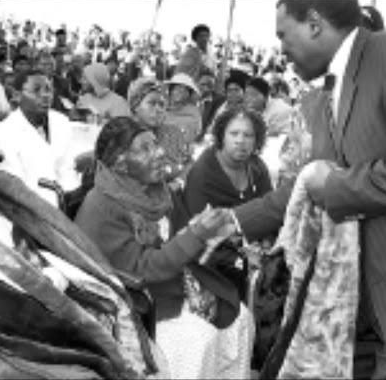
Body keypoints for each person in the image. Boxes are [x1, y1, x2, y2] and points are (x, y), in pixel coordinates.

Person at [233, 0, 386, 378]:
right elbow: (306, 185)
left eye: (284, 35)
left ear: (314, 24)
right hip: (347, 312)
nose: (281, 50)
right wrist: (231, 222)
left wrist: (338, 185)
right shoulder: (321, 98)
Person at [0, 118, 165, 379]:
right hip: (4, 341)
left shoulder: (2, 215)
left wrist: (52, 279)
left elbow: (34, 261)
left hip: (54, 320)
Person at [75, 116, 253, 380]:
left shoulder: (157, 191)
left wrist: (204, 232)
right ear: (121, 163)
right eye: (145, 149)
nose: (159, 153)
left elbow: (176, 237)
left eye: (155, 144)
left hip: (173, 281)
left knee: (241, 319)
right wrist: (194, 235)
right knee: (198, 340)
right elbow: (143, 269)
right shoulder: (102, 206)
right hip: (134, 302)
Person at [0, 70, 80, 206]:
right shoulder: (3, 132)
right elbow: (16, 185)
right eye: (36, 90)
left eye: (48, 90)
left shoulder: (61, 121)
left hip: (66, 200)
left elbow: (67, 167)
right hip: (31, 208)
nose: (45, 95)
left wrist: (70, 196)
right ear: (17, 95)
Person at [184, 108, 272, 217]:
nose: (240, 141)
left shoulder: (257, 166)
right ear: (222, 136)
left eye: (248, 135)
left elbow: (269, 209)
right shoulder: (202, 175)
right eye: (234, 134)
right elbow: (198, 226)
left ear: (257, 140)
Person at [128, 77, 191, 182]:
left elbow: (188, 163)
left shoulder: (173, 132)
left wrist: (179, 182)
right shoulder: (126, 138)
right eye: (152, 103)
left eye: (161, 104)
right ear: (135, 106)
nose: (158, 110)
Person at [164, 73, 202, 146]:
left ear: (188, 94)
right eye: (177, 88)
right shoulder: (162, 107)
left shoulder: (193, 112)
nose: (181, 91)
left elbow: (193, 134)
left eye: (185, 89)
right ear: (171, 90)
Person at [198, 69, 225, 141]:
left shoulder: (220, 101)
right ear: (196, 83)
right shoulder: (188, 98)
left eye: (210, 85)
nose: (206, 88)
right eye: (203, 84)